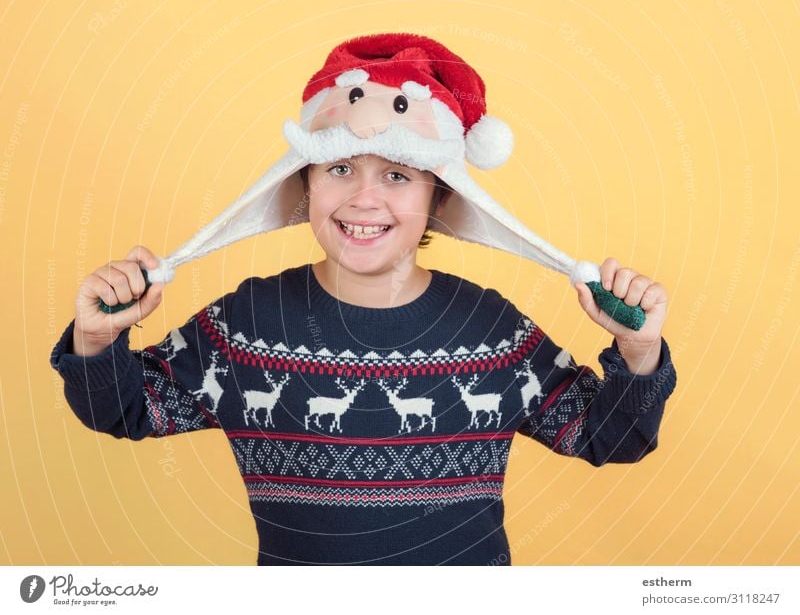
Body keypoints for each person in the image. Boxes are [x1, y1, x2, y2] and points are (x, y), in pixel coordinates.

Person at [50, 33, 677, 565]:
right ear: (304, 183)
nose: (364, 200)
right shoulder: (242, 325)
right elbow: (125, 412)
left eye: (398, 176)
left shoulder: (494, 332)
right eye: (341, 168)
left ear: (441, 199)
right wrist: (98, 338)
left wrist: (639, 348)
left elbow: (610, 439)